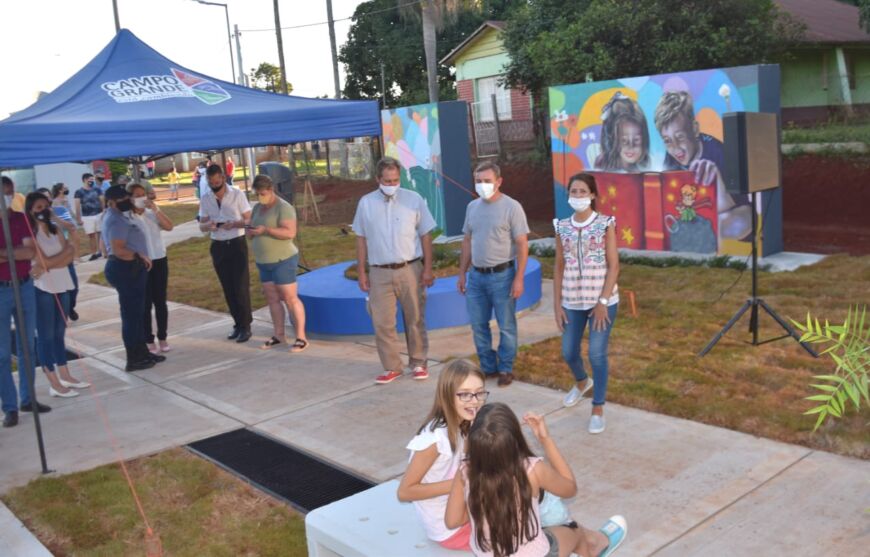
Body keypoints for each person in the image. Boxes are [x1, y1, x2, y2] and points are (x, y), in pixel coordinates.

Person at [445, 403, 627, 557]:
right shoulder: (531, 469)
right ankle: (595, 547)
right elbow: (570, 489)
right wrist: (545, 439)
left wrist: (486, 508)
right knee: (576, 531)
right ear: (515, 438)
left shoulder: (465, 471)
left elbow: (452, 521)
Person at [353, 157, 436, 384]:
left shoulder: (414, 199)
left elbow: (426, 235)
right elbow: (360, 239)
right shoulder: (366, 203)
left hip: (410, 268)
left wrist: (428, 268)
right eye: (387, 181)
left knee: (415, 318)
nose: (392, 184)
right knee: (382, 322)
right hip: (379, 271)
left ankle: (418, 362)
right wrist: (362, 272)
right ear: (378, 179)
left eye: (395, 180)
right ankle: (392, 367)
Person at [553, 174, 620, 434]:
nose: (578, 196)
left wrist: (603, 301)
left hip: (602, 301)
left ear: (592, 195)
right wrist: (557, 304)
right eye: (574, 191)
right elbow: (559, 266)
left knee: (596, 353)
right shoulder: (561, 226)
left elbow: (614, 265)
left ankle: (597, 407)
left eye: (583, 191)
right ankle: (582, 382)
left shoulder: (604, 224)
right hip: (572, 300)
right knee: (568, 352)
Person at [397, 359, 486, 551]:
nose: (474, 401)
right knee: (514, 536)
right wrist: (463, 482)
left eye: (479, 393)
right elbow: (405, 492)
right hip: (450, 528)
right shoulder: (434, 441)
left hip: (465, 508)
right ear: (447, 395)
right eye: (465, 394)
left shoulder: (467, 420)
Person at [458, 161, 529, 388]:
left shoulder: (512, 207)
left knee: (506, 325)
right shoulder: (472, 207)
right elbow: (467, 240)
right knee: (478, 325)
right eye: (478, 181)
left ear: (498, 182)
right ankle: (488, 367)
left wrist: (519, 278)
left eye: (487, 181)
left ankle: (506, 367)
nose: (482, 185)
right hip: (476, 277)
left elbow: (522, 243)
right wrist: (462, 273)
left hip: (502, 275)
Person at [654, 90, 752, 241]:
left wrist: (717, 183)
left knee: (734, 221)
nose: (675, 148)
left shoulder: (719, 153)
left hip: (730, 215)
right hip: (694, 216)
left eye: (680, 137)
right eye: (667, 141)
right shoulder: (671, 158)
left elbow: (736, 207)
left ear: (694, 129)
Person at [25, 193, 90, 399]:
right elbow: (43, 261)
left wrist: (49, 264)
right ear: (30, 211)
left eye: (46, 206)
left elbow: (70, 253)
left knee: (59, 334)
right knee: (45, 336)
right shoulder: (30, 234)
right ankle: (53, 382)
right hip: (42, 288)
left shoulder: (55, 230)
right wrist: (56, 260)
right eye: (38, 207)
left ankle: (65, 374)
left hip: (62, 285)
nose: (43, 210)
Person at [0, 182, 51, 427]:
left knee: (27, 346)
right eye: (4, 193)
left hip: (24, 286)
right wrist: (15, 251)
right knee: (2, 354)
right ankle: (9, 407)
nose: (7, 197)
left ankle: (27, 398)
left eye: (9, 193)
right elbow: (21, 251)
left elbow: (30, 252)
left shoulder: (20, 218)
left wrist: (3, 253)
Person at [102, 186, 166, 372]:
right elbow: (118, 249)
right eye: (122, 199)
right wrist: (139, 255)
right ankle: (134, 358)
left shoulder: (119, 216)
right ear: (111, 202)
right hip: (125, 268)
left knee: (137, 314)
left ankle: (142, 352)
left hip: (132, 268)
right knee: (131, 316)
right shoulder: (115, 219)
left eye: (126, 198)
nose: (126, 201)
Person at [247, 174, 307, 351]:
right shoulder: (257, 208)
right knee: (272, 298)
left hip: (283, 259)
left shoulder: (284, 208)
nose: (260, 197)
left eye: (263, 193)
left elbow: (289, 233)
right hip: (263, 261)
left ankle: (301, 337)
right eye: (257, 194)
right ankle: (279, 335)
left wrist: (266, 230)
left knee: (290, 298)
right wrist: (251, 232)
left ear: (271, 190)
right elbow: (251, 227)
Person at [198, 164, 253, 343]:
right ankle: (237, 323)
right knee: (228, 287)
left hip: (236, 243)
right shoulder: (206, 198)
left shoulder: (237, 194)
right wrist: (209, 225)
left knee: (240, 286)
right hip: (218, 245)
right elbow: (201, 225)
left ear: (223, 177)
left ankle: (246, 325)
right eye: (211, 182)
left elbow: (249, 219)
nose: (215, 185)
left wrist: (235, 223)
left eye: (217, 182)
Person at [128, 183, 173, 354]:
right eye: (137, 195)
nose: (141, 198)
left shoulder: (152, 213)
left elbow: (169, 226)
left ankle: (163, 337)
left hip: (159, 259)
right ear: (130, 198)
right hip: (142, 263)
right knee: (145, 303)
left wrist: (155, 209)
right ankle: (148, 339)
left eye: (143, 194)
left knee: (160, 301)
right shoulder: (128, 218)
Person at [594, 92, 651, 172]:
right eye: (624, 140)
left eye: (636, 140)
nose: (631, 146)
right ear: (612, 139)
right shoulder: (602, 164)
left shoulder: (646, 166)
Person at [49, 184, 80, 321]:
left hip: (65, 254)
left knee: (73, 286)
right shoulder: (35, 217)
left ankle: (70, 307)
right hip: (50, 257)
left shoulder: (60, 209)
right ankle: (62, 312)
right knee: (57, 288)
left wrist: (55, 218)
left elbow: (71, 227)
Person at [75, 172, 105, 261]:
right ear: (85, 180)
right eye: (90, 180)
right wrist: (78, 218)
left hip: (99, 214)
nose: (92, 181)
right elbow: (77, 205)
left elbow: (102, 200)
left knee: (100, 233)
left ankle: (100, 251)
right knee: (91, 235)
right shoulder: (79, 192)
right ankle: (93, 253)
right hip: (87, 216)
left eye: (93, 180)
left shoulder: (97, 189)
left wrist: (104, 211)